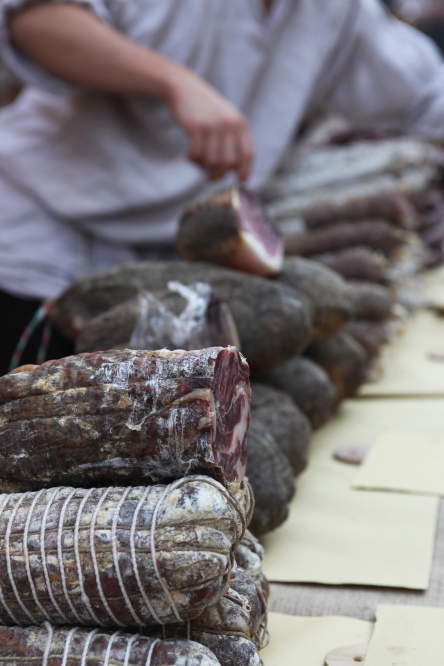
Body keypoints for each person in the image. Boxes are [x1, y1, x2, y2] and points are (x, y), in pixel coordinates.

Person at [1, 0, 444, 374]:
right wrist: (174, 81)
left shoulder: (337, 10)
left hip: (171, 260)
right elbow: (33, 18)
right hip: (43, 238)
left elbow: (425, 95)